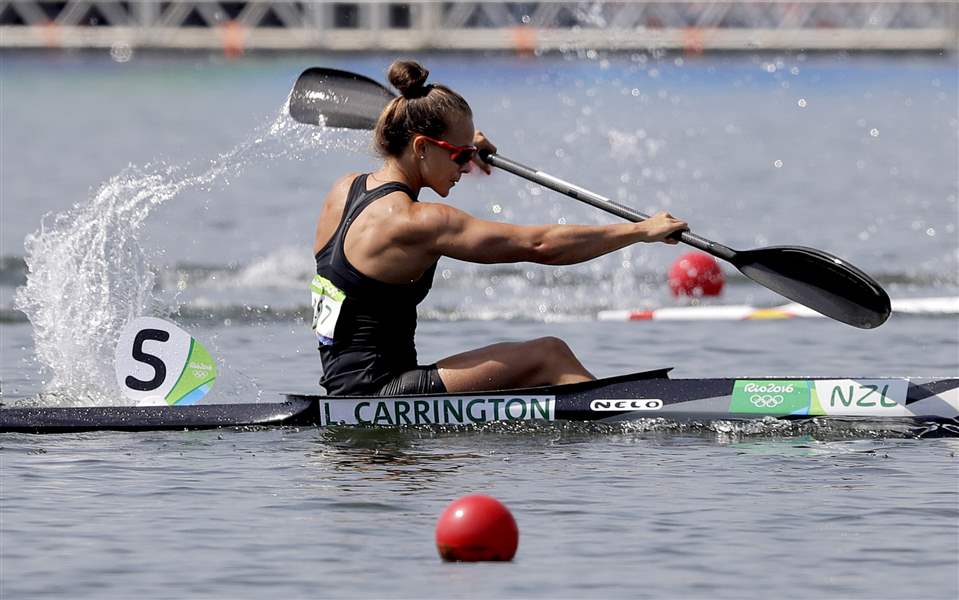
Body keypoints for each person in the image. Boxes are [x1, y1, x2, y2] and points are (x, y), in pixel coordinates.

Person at [312, 60, 688, 396]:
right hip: (382, 393)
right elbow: (539, 246)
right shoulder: (419, 222)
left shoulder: (343, 190)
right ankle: (627, 418)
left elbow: (412, 141)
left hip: (346, 386)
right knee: (549, 354)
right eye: (459, 157)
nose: (465, 168)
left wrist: (463, 145)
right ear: (423, 146)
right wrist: (640, 231)